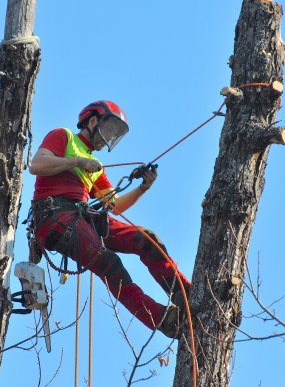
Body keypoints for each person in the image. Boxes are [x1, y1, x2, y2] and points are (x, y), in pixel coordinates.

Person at [28, 100, 191, 338]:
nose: (107, 139)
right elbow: (37, 164)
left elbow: (113, 206)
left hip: (83, 216)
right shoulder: (63, 137)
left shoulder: (97, 167)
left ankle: (184, 294)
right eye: (108, 130)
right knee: (110, 264)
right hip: (56, 216)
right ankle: (163, 319)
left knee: (147, 239)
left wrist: (142, 187)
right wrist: (77, 161)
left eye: (113, 135)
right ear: (92, 121)